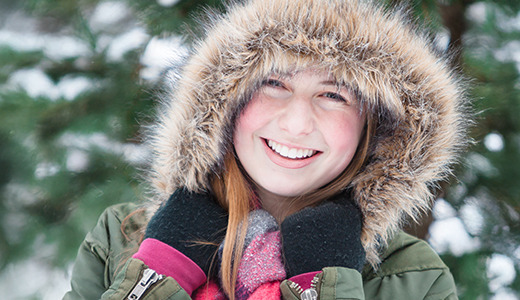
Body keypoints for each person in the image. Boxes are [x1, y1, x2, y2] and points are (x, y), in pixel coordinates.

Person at [64, 0, 469, 299]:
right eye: (274, 84)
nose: (296, 123)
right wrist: (158, 274)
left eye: (333, 94)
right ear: (224, 101)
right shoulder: (121, 238)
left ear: (377, 128)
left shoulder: (415, 279)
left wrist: (324, 287)